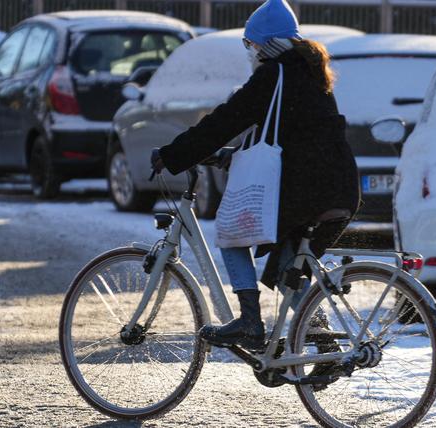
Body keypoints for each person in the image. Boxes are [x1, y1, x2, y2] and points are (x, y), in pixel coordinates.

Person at [151, 0, 360, 351]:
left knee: (231, 233)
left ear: (263, 43)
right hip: (338, 188)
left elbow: (227, 119)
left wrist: (174, 154)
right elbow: (290, 136)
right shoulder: (311, 73)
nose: (250, 52)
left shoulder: (274, 75)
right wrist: (230, 155)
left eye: (250, 44)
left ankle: (250, 323)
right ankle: (327, 347)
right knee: (286, 268)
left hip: (306, 189)